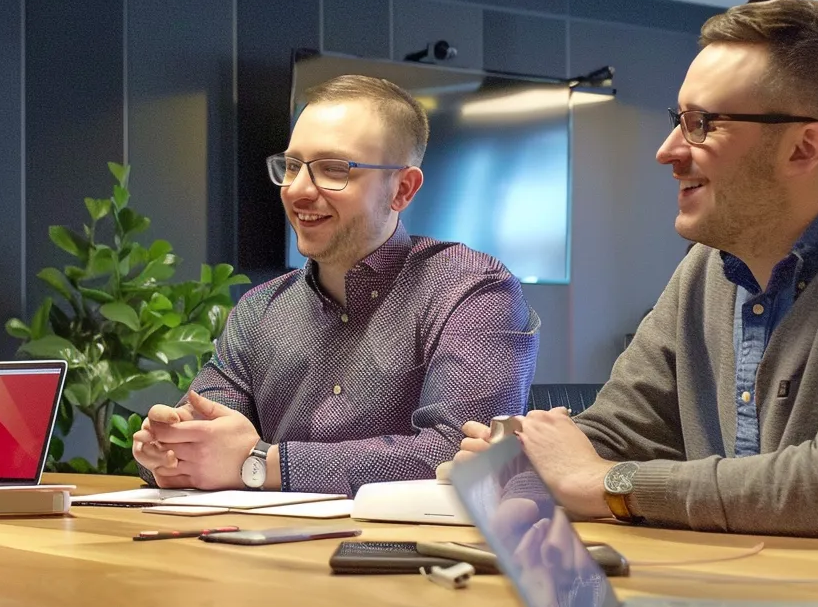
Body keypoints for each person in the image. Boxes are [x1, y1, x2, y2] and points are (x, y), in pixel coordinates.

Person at [455, 0, 818, 544]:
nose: (667, 151)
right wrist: (525, 467)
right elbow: (616, 435)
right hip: (749, 590)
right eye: (677, 120)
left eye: (701, 123)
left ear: (805, 147)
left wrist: (604, 482)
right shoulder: (707, 268)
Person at [132, 74, 540, 494]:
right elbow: (202, 441)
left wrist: (260, 463)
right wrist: (168, 447)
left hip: (407, 555)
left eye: (334, 170)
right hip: (261, 550)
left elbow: (464, 456)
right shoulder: (259, 311)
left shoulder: (472, 290)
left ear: (403, 188)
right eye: (292, 167)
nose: (299, 190)